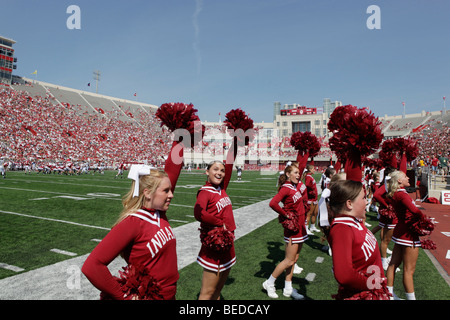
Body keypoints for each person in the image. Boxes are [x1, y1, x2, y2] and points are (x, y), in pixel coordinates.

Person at [82, 141, 184, 300]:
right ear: (148, 193)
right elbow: (91, 266)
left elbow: (173, 168)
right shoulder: (133, 223)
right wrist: (124, 297)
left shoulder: (159, 213)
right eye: (166, 190)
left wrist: (180, 136)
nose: (171, 194)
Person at [327, 180, 390, 300]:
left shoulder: (355, 221)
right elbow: (344, 275)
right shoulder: (342, 229)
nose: (367, 202)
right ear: (349, 204)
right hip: (362, 295)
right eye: (363, 198)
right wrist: (372, 285)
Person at [194, 141, 237, 300]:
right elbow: (199, 213)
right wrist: (219, 223)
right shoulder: (205, 191)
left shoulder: (221, 188)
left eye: (222, 170)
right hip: (215, 244)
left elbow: (230, 163)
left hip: (228, 242)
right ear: (207, 172)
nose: (219, 172)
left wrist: (236, 142)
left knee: (217, 291)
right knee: (207, 293)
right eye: (215, 169)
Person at [263, 164, 307, 300]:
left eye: (299, 172)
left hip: (300, 227)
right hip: (292, 229)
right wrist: (285, 214)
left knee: (294, 259)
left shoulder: (295, 187)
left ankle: (288, 288)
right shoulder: (286, 188)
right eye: (295, 172)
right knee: (288, 260)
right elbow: (273, 203)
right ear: (288, 174)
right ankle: (269, 282)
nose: (298, 175)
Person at [385, 170, 427, 300]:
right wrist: (424, 220)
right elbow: (415, 210)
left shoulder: (395, 193)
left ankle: (389, 295)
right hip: (408, 233)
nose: (408, 177)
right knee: (409, 270)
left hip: (400, 231)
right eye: (405, 176)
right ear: (399, 181)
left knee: (393, 264)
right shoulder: (402, 194)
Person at [303, 164, 319, 234]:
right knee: (309, 214)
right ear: (310, 170)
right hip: (311, 198)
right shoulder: (308, 177)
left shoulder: (310, 176)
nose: (314, 170)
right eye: (313, 169)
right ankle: (306, 229)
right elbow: (307, 185)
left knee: (315, 213)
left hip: (314, 198)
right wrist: (312, 191)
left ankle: (312, 226)